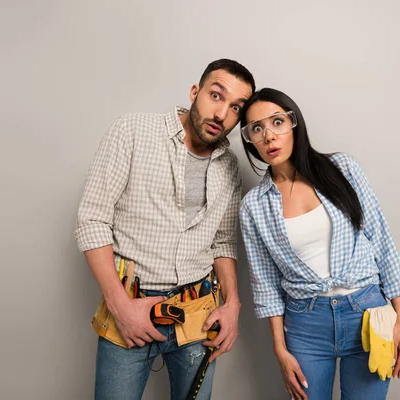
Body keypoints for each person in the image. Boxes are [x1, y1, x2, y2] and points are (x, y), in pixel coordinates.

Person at [74, 59, 255, 400]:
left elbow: (224, 242)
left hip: (198, 318)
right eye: (216, 96)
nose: (221, 114)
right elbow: (92, 220)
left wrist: (233, 305)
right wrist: (120, 307)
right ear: (194, 92)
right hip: (128, 309)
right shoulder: (132, 131)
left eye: (235, 108)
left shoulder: (229, 166)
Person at [239, 88, 400, 400]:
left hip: (368, 313)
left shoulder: (342, 168)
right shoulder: (253, 206)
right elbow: (265, 285)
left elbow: (381, 239)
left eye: (277, 122)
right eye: (256, 128)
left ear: (294, 124)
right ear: (249, 139)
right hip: (306, 324)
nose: (268, 136)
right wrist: (280, 349)